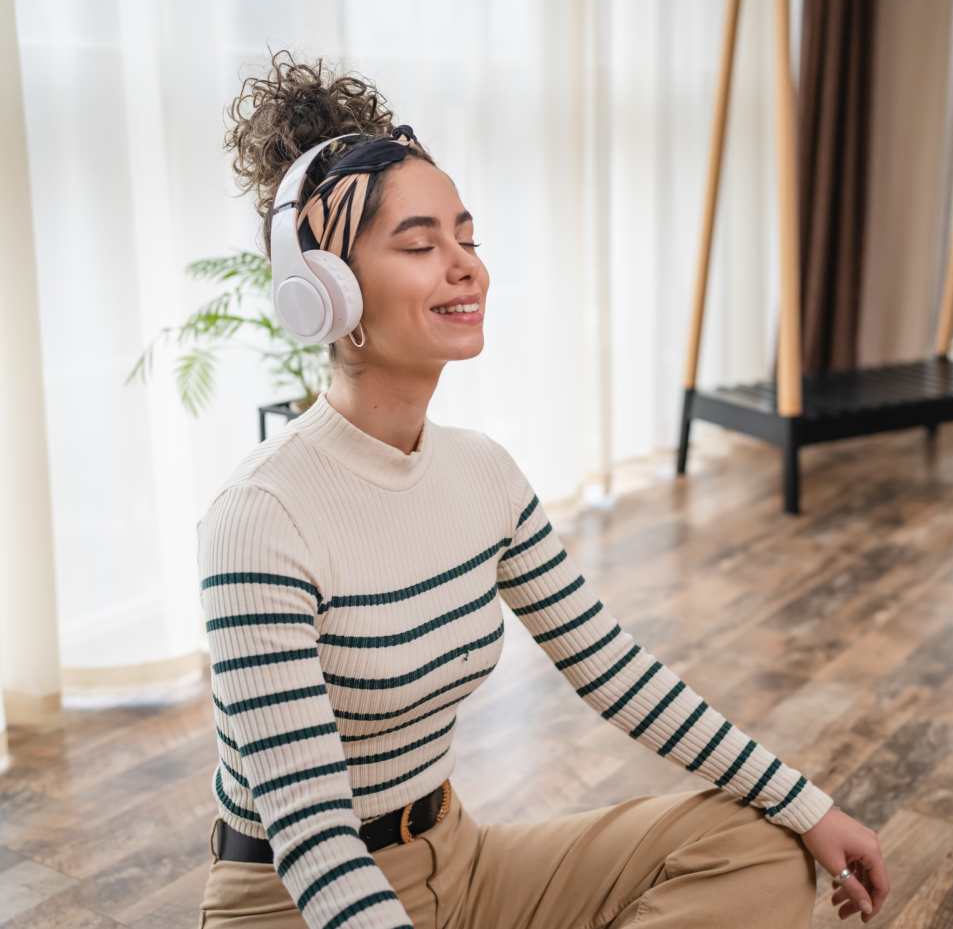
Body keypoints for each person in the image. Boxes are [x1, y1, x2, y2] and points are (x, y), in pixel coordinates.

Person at [197, 53, 889, 929]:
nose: (465, 268)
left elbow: (616, 672)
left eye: (467, 238)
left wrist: (809, 805)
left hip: (460, 858)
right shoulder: (262, 517)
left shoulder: (483, 472)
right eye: (419, 245)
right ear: (326, 295)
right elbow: (313, 838)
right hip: (297, 903)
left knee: (759, 843)